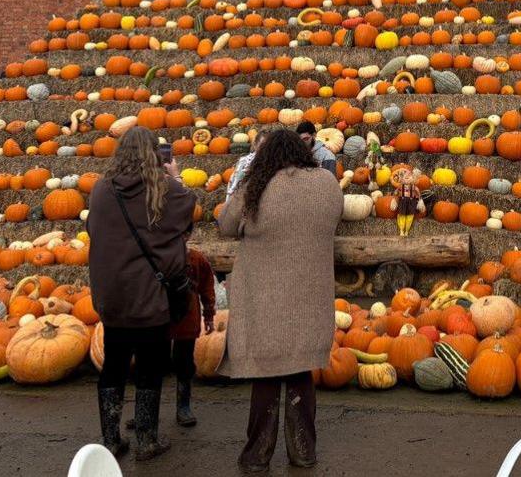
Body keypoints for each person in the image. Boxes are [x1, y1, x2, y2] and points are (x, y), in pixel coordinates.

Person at [218, 129, 342, 471]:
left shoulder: (258, 187)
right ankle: (303, 451)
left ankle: (257, 455)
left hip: (266, 300)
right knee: (302, 372)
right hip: (311, 299)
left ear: (266, 156)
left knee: (267, 377)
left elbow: (227, 224)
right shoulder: (326, 184)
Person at [88, 126, 196, 460]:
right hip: (150, 295)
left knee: (114, 365)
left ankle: (111, 439)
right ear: (154, 154)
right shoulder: (164, 190)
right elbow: (188, 211)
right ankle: (147, 440)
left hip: (113, 296)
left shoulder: (102, 190)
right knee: (151, 366)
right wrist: (174, 177)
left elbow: (92, 229)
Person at [126, 245, 215, 431]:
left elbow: (207, 288)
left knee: (184, 363)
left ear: (188, 236)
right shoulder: (155, 257)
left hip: (187, 321)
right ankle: (147, 411)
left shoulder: (197, 259)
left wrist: (208, 314)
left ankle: (183, 406)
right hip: (160, 320)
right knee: (154, 365)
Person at [227, 130, 268, 196]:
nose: (266, 149)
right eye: (262, 146)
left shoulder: (277, 163)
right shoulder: (245, 162)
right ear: (255, 145)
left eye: (269, 146)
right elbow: (234, 188)